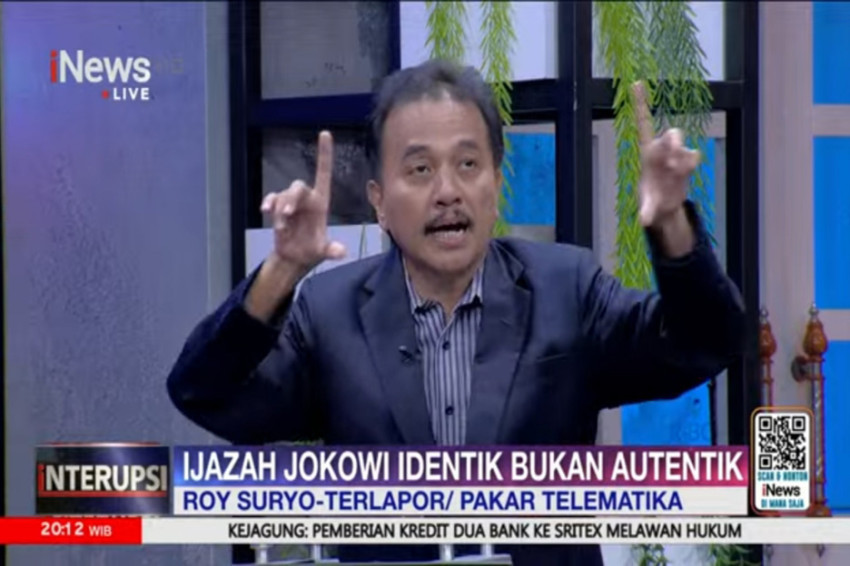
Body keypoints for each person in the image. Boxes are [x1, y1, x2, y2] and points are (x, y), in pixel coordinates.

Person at [167, 59, 745, 565]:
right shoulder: (329, 314)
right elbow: (204, 393)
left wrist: (671, 223)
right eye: (420, 170)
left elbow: (707, 342)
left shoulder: (566, 289)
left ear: (496, 181)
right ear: (379, 202)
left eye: (468, 164)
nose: (447, 191)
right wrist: (283, 271)